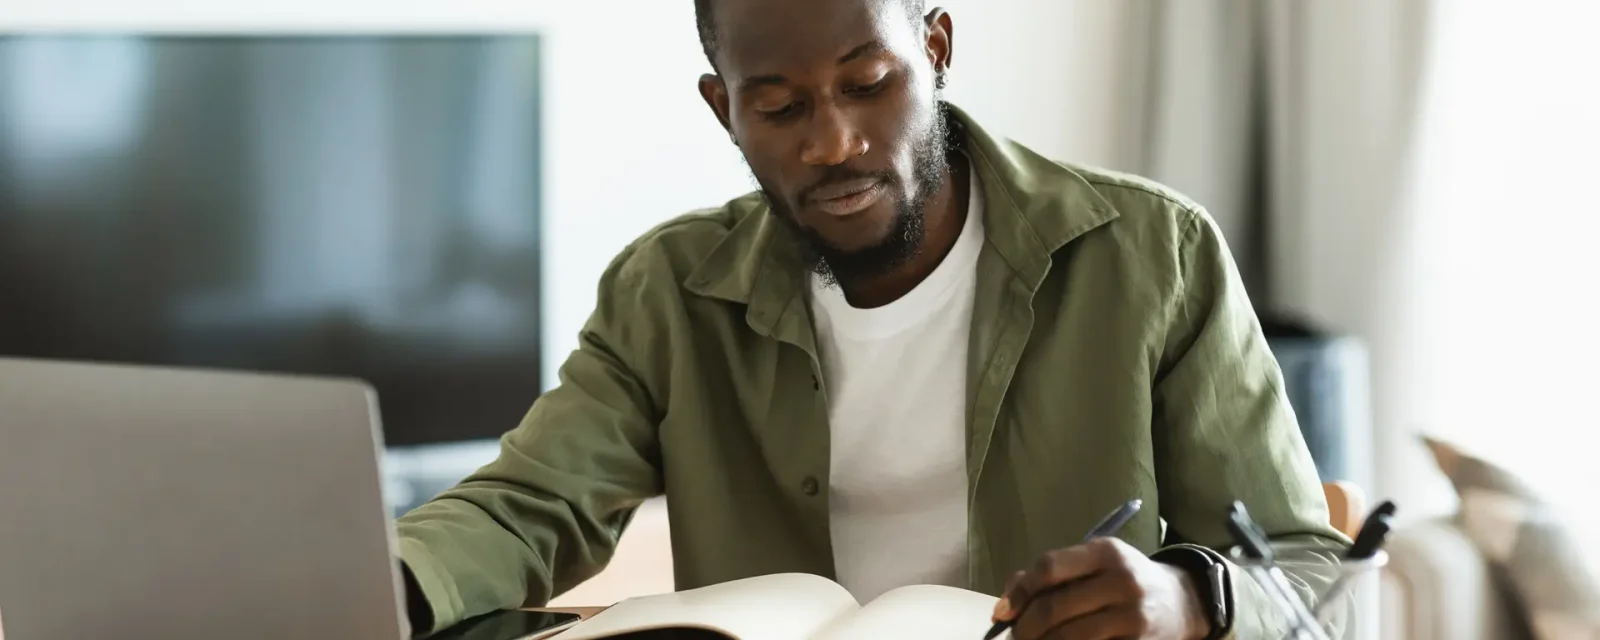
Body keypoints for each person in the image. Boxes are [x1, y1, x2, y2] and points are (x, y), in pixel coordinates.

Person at [395, 1, 1350, 638]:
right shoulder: (669, 290)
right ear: (723, 106)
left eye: (868, 83)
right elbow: (530, 508)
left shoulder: (1153, 253)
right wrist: (378, 585)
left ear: (934, 47)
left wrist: (1191, 596)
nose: (834, 143)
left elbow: (1317, 574)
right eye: (777, 106)